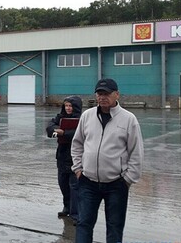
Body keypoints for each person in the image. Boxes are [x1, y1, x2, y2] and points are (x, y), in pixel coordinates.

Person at [71, 78, 144, 243]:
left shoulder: (128, 119)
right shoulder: (87, 116)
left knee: (115, 227)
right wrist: (78, 169)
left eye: (107, 94)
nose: (102, 97)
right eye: (99, 93)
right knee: (84, 224)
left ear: (117, 94)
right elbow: (77, 144)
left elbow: (136, 153)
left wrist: (127, 180)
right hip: (87, 182)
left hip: (116, 184)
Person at [46, 96, 82, 224]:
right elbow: (50, 126)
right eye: (66, 105)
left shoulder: (83, 119)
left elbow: (81, 133)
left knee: (74, 187)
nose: (68, 108)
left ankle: (75, 213)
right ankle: (66, 207)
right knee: (63, 184)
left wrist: (64, 133)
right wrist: (55, 130)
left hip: (75, 158)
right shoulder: (59, 117)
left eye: (70, 106)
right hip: (62, 156)